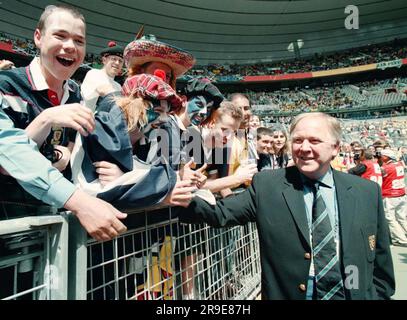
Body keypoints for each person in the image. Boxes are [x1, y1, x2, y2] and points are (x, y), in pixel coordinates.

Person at [179, 112, 395, 300]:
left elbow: (381, 260)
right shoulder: (267, 185)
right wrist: (174, 190)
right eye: (298, 140)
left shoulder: (365, 191)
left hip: (351, 290)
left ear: (335, 148)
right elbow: (219, 213)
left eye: (315, 140)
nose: (304, 148)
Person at [0, 4, 127, 241]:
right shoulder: (5, 85)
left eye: (79, 41)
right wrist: (46, 119)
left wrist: (118, 171)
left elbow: (72, 149)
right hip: (10, 227)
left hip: (56, 229)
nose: (70, 46)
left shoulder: (76, 94)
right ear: (38, 37)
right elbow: (8, 157)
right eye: (60, 35)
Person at [81, 41, 124, 110]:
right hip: (84, 118)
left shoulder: (118, 86)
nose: (117, 63)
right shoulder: (94, 73)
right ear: (104, 60)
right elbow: (103, 89)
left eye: (120, 61)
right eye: (114, 59)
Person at [379, 149, 407, 247]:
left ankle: (402, 239)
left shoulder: (385, 168)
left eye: (382, 155)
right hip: (401, 193)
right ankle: (404, 234)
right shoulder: (399, 164)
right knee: (402, 217)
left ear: (386, 157)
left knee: (390, 218)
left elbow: (380, 176)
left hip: (390, 195)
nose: (380, 157)